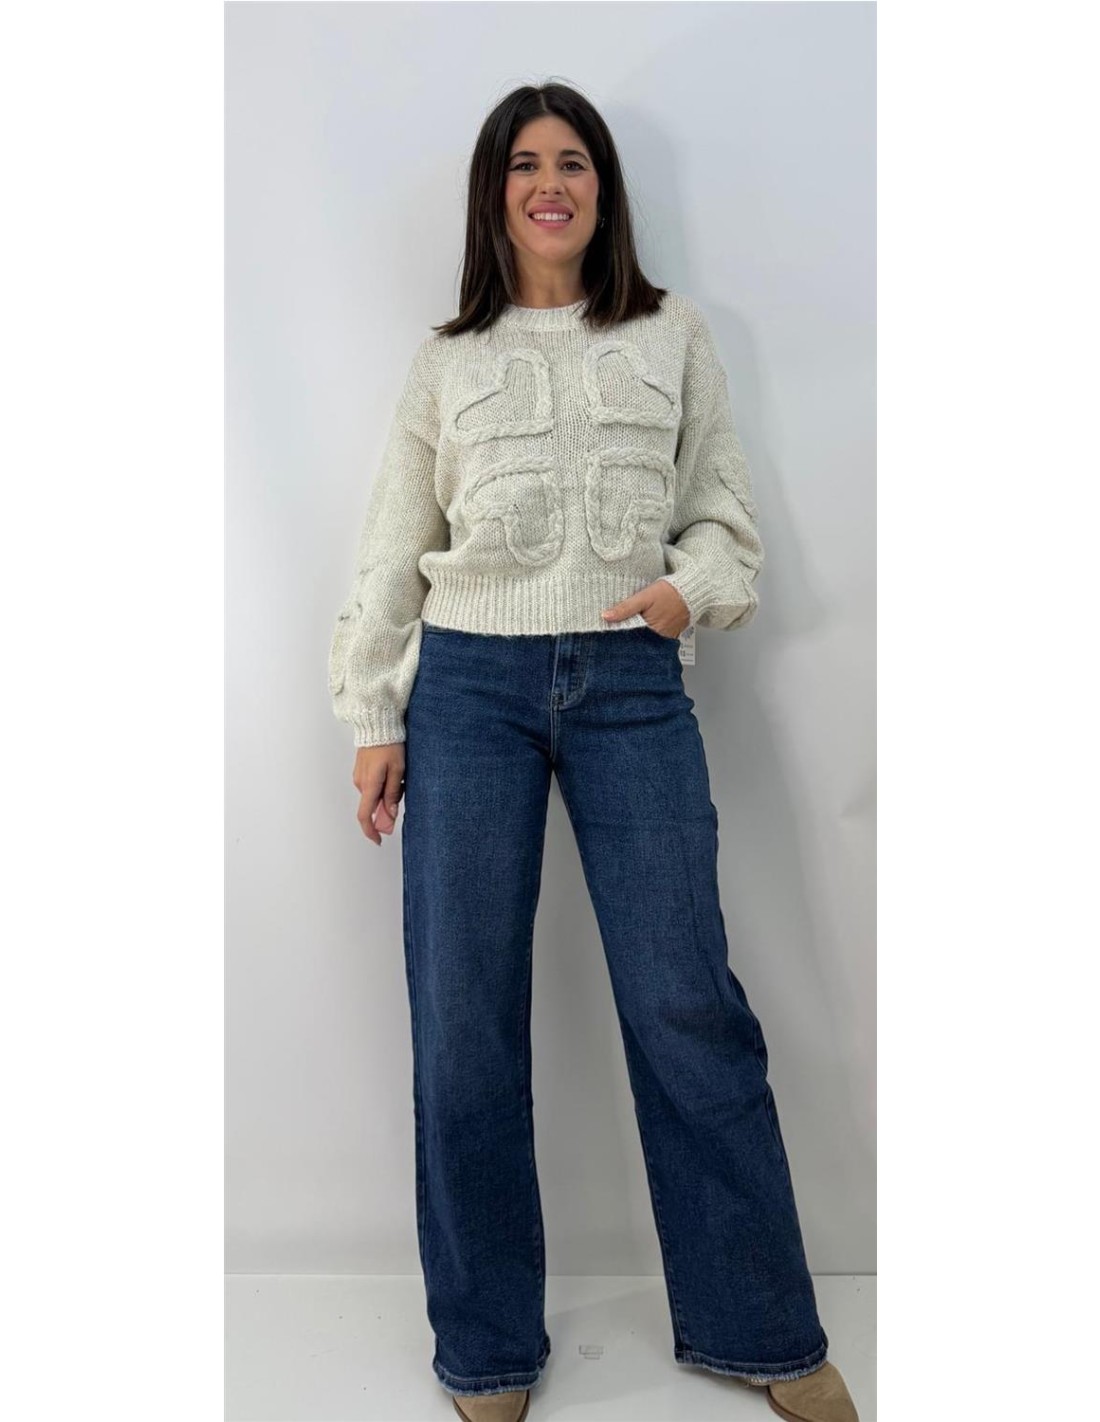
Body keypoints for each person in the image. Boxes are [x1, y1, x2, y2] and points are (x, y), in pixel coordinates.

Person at [327, 83, 859, 1422]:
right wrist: (375, 713)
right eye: (525, 164)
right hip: (468, 688)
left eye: (573, 162)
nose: (550, 183)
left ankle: (759, 1322)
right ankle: (489, 1347)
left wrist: (690, 590)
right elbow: (393, 542)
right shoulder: (446, 359)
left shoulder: (672, 334)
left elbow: (722, 511)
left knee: (686, 999)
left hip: (630, 681)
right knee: (463, 1015)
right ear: (495, 195)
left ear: (604, 190)